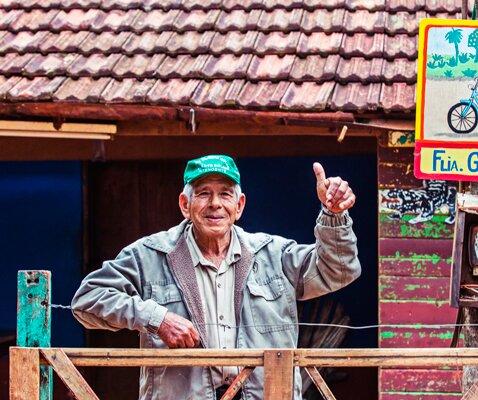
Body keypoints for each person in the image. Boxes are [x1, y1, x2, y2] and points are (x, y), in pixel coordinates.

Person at [71, 154, 361, 400]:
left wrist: (333, 216)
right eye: (203, 193)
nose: (215, 204)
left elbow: (337, 271)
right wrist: (156, 319)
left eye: (224, 193)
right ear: (185, 204)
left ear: (240, 205)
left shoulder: (272, 254)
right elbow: (87, 299)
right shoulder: (149, 255)